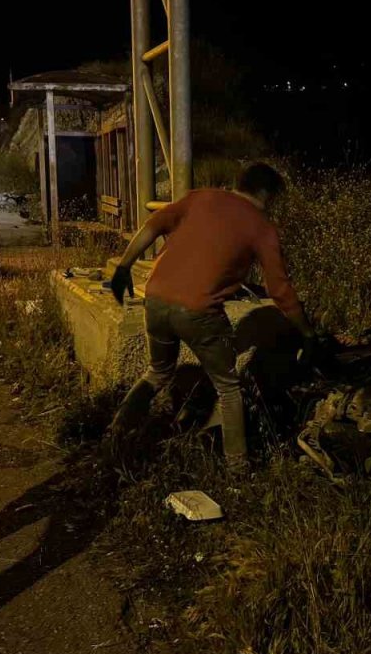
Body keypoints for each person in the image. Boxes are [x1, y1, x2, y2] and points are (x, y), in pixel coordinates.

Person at [109, 162, 317, 469]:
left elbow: (152, 226)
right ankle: (237, 469)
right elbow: (280, 290)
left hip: (155, 299)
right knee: (228, 388)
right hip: (198, 311)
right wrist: (308, 333)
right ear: (266, 193)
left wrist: (124, 267)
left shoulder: (199, 198)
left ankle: (117, 431)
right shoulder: (261, 226)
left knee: (157, 372)